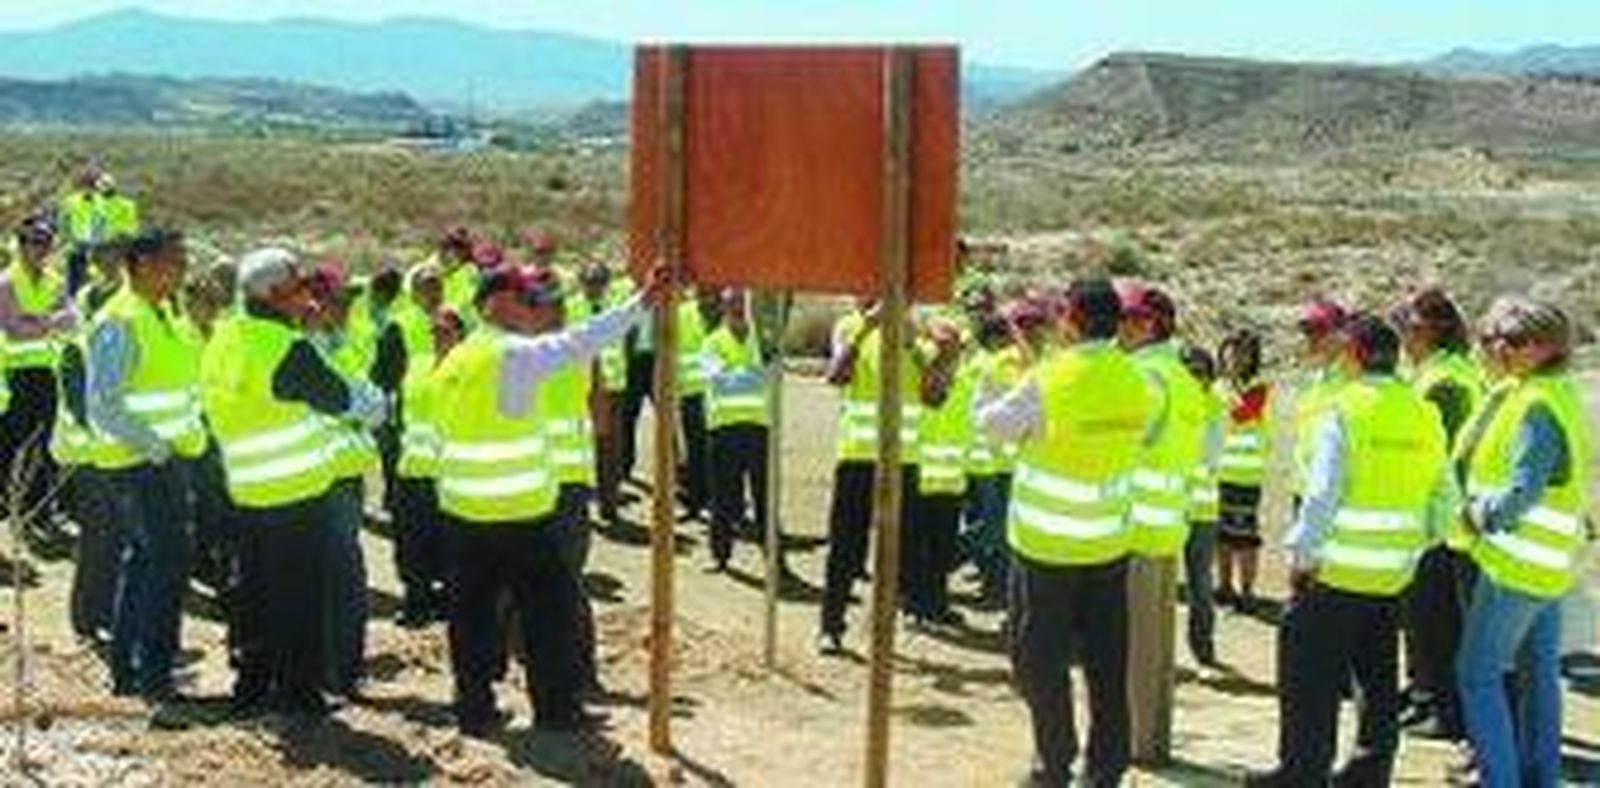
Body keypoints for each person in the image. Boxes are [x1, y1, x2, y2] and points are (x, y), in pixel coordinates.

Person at [431, 262, 667, 736]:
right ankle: (556, 710)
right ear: (501, 302)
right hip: (519, 514)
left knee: (472, 617)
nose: (531, 312)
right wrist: (640, 303)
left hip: (462, 513)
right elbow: (582, 340)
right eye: (526, 301)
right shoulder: (512, 354)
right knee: (549, 615)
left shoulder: (455, 359)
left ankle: (474, 709)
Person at [1246, 313, 1454, 787]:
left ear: (1355, 355)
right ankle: (1369, 771)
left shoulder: (1344, 410)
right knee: (1378, 678)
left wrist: (1302, 555)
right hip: (1393, 573)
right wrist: (1413, 546)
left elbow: (1322, 495)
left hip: (1336, 572)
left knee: (1307, 676)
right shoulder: (1424, 412)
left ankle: (1302, 771)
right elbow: (1444, 497)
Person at [977, 277, 1155, 787]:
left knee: (1040, 662)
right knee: (1106, 663)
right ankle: (1106, 770)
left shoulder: (1051, 376)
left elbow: (994, 426)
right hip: (1107, 547)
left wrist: (991, 389)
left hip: (1045, 550)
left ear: (1071, 320)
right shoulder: (1134, 377)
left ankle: (1054, 764)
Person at [201, 247, 384, 718]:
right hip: (294, 492)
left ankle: (252, 685)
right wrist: (369, 395)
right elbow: (350, 402)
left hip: (243, 488)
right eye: (300, 287)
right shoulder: (286, 348)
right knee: (299, 597)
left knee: (253, 594)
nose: (307, 295)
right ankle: (300, 694)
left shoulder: (224, 336)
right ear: (277, 294)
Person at [1454, 298, 1589, 788]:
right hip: (1548, 568)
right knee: (1538, 676)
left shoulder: (1535, 405)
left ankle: (1501, 779)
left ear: (1544, 348)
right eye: (1491, 338)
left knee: (1476, 675)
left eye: (1511, 341)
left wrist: (1473, 514)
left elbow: (1521, 491)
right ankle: (1539, 777)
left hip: (1517, 567)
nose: (1498, 348)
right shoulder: (1548, 393)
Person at [84, 230, 206, 708]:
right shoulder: (119, 319)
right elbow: (104, 405)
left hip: (162, 461)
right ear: (141, 264)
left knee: (146, 563)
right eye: (174, 261)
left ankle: (131, 668)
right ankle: (154, 676)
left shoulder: (164, 313)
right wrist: (157, 449)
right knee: (166, 567)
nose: (182, 269)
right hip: (141, 464)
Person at [1118, 282, 1209, 763]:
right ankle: (1153, 741)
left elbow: (1123, 442)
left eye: (1129, 319)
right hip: (1166, 522)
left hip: (1133, 525)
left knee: (1133, 646)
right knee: (1155, 648)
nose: (1120, 328)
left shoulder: (1143, 375)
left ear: (1151, 324)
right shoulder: (1180, 376)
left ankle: (1136, 744)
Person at [1391, 288, 1484, 741]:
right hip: (1430, 513)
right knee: (1423, 615)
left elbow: (1440, 453)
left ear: (1431, 328)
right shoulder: (1428, 372)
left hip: (1440, 516)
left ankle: (1446, 710)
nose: (1402, 333)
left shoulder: (1446, 380)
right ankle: (1426, 694)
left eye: (1408, 323)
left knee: (1437, 618)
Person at [817, 298, 928, 655]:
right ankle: (830, 627)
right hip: (858, 457)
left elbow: (935, 395)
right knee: (845, 547)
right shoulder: (849, 327)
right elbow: (836, 375)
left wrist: (917, 348)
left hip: (904, 460)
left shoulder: (915, 330)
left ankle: (882, 629)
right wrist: (867, 327)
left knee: (900, 550)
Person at [305, 263, 384, 699]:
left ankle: (340, 667)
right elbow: (362, 405)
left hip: (347, 475)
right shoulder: (307, 351)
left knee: (341, 576)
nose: (347, 309)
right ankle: (334, 670)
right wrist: (362, 405)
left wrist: (363, 405)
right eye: (340, 302)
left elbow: (374, 405)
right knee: (338, 577)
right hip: (322, 479)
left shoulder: (342, 346)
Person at [60, 242, 125, 643]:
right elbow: (87, 408)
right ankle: (90, 617)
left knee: (110, 540)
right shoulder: (85, 348)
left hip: (108, 452)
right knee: (102, 539)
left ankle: (99, 614)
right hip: (99, 455)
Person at [0, 216, 75, 544]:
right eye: (32, 241)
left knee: (43, 446)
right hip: (14, 375)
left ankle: (38, 512)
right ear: (20, 244)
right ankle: (7, 510)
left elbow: (73, 320)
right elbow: (14, 333)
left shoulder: (56, 281)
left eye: (45, 242)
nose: (39, 248)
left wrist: (36, 320)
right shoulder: (5, 283)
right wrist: (51, 320)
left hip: (46, 372)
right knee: (9, 445)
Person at [962, 301, 1033, 608]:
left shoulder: (996, 363)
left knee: (997, 531)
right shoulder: (994, 366)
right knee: (993, 530)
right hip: (991, 463)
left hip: (1001, 462)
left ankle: (995, 588)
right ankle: (938, 562)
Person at [904, 317, 968, 626]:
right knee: (919, 548)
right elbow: (933, 400)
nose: (947, 348)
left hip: (951, 479)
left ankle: (936, 604)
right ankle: (915, 604)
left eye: (952, 342)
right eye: (941, 342)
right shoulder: (921, 374)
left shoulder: (965, 377)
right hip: (921, 477)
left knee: (942, 549)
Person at [1214, 329, 1270, 610]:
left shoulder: (1259, 387)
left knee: (1245, 538)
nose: (1237, 358)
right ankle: (1224, 586)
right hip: (1220, 473)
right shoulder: (1219, 386)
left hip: (1246, 476)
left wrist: (1224, 392)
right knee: (1221, 535)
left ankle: (1248, 592)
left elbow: (1242, 413)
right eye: (1233, 352)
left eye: (1244, 353)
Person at [1179, 344, 1224, 667]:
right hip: (1166, 509)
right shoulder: (1174, 402)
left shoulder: (1214, 409)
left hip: (1200, 511)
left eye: (1200, 373)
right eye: (1189, 373)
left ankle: (1203, 648)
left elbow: (1209, 456)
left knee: (1200, 585)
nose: (1195, 379)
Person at [578, 263, 631, 525]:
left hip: (613, 387)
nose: (594, 287)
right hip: (581, 389)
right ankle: (579, 508)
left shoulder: (616, 306)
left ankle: (609, 504)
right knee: (578, 449)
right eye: (589, 281)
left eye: (599, 281)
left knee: (610, 449)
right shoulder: (571, 307)